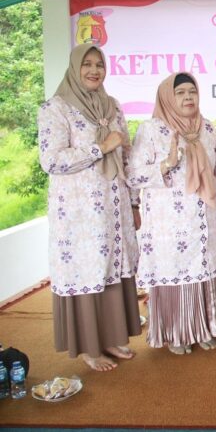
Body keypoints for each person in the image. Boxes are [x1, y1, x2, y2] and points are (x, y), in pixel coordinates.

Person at [38, 43, 140, 371]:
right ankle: (89, 348)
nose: (94, 70)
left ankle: (110, 338)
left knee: (112, 270)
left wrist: (134, 202)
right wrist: (100, 148)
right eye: (87, 64)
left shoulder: (112, 106)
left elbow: (126, 156)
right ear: (74, 68)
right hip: (79, 213)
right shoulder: (56, 108)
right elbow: (51, 160)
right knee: (88, 271)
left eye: (99, 64)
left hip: (114, 207)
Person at [127, 72, 216, 355]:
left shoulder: (206, 128)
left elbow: (215, 174)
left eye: (192, 92)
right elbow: (133, 175)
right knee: (177, 273)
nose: (188, 98)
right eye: (180, 93)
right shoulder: (151, 129)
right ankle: (176, 334)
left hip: (206, 217)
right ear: (167, 97)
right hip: (169, 222)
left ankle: (203, 328)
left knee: (205, 270)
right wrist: (167, 163)